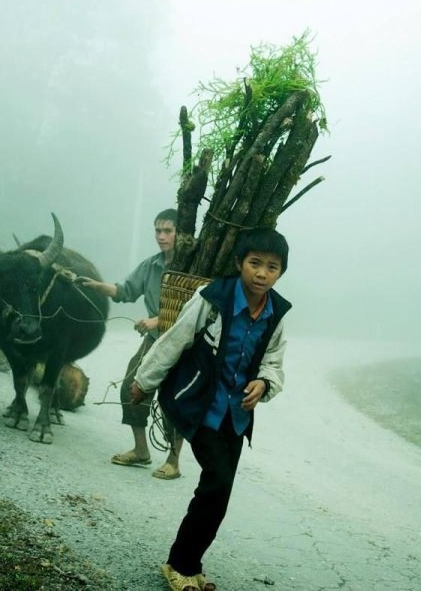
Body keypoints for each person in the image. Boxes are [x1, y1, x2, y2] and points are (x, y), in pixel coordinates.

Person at [131, 227, 291, 591]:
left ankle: (190, 565)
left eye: (272, 267)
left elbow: (274, 362)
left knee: (219, 490)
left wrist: (264, 383)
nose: (262, 273)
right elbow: (175, 339)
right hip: (198, 403)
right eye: (255, 264)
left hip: (236, 416)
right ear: (239, 264)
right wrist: (144, 381)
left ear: (281, 272)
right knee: (216, 483)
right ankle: (180, 565)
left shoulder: (276, 312)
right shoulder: (212, 297)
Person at [78, 208, 186, 480]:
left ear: (180, 234)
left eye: (168, 231)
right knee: (131, 386)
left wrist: (156, 320)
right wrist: (95, 285)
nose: (161, 236)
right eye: (157, 230)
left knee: (174, 398)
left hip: (185, 343)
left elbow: (194, 310)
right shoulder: (151, 266)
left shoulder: (191, 267)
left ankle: (173, 461)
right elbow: (124, 291)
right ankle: (141, 450)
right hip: (154, 340)